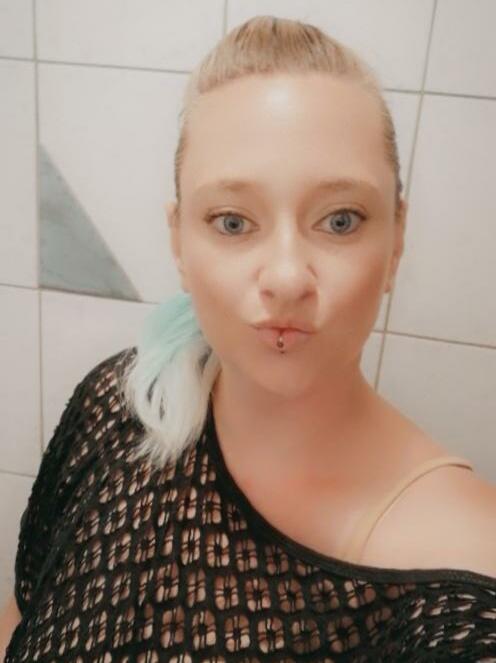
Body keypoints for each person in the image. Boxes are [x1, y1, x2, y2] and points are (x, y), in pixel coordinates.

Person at [2, 15, 496, 662]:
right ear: (179, 241)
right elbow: (21, 617)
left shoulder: (465, 573)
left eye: (340, 220)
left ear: (396, 239)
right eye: (232, 221)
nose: (287, 277)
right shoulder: (118, 404)